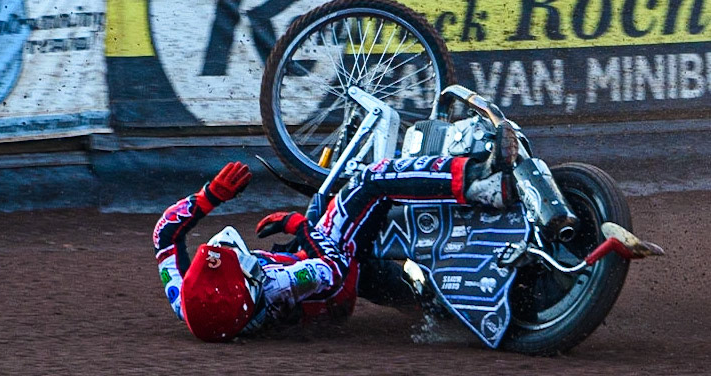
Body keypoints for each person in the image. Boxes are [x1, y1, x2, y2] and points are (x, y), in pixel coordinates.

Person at [153, 125, 518, 342]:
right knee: (369, 181)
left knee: (329, 210)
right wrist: (297, 225)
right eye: (236, 263)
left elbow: (164, 236)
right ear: (250, 287)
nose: (222, 247)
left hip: (314, 269)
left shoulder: (187, 301)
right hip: (333, 277)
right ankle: (477, 182)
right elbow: (332, 267)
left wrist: (208, 197)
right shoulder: (279, 283)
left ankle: (440, 301)